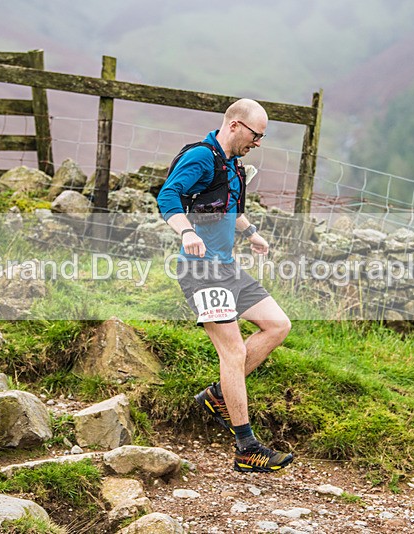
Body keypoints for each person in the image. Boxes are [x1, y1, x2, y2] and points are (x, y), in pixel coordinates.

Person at [156, 98, 294, 473]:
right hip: (200, 271)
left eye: (262, 137)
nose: (258, 143)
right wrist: (185, 232)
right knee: (232, 354)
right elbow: (167, 195)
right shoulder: (201, 157)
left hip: (227, 268)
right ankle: (246, 447)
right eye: (256, 134)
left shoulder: (233, 165)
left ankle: (218, 395)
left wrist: (251, 233)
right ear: (235, 125)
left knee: (278, 324)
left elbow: (227, 208)